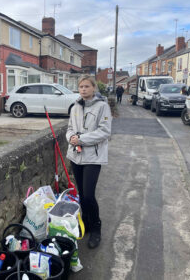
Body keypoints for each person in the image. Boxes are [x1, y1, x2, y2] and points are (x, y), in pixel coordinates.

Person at [66, 76, 112, 249]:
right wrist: (71, 137)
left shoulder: (103, 106)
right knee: (81, 193)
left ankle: (96, 227)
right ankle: (85, 221)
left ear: (94, 88)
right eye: (81, 86)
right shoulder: (75, 106)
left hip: (93, 157)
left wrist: (82, 139)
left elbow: (105, 131)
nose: (83, 89)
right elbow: (70, 128)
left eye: (87, 86)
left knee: (88, 195)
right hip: (75, 156)